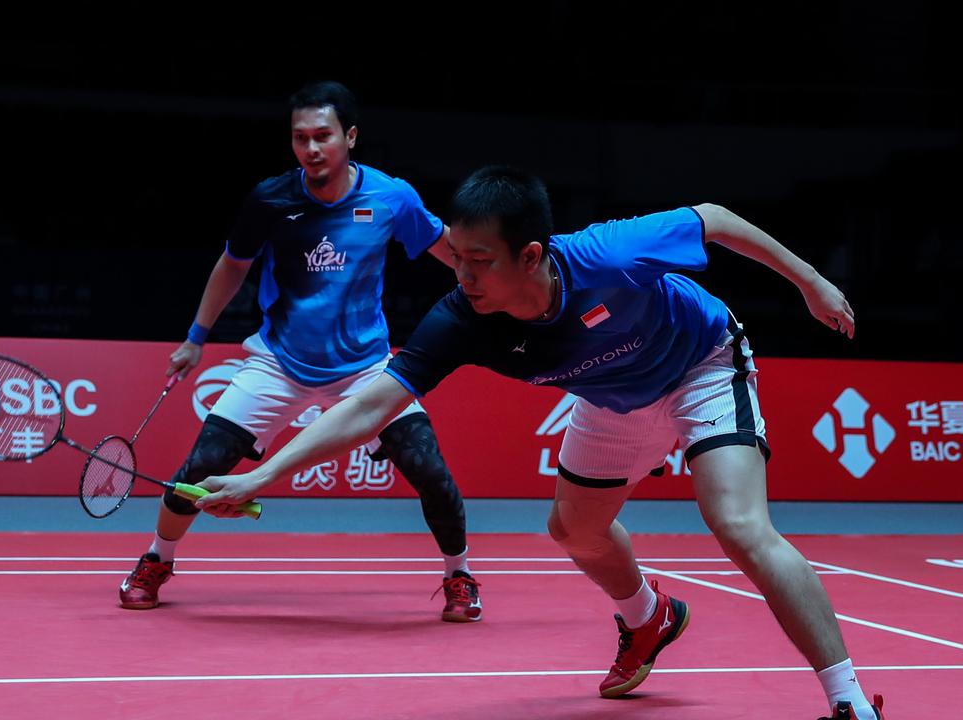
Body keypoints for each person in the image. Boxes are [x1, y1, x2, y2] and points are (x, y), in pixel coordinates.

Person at [192, 166, 887, 719]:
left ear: (529, 255)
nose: (461, 277)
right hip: (611, 398)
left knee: (737, 523)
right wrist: (261, 476)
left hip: (698, 364)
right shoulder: (463, 317)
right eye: (456, 258)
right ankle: (648, 619)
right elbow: (370, 404)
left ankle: (846, 697)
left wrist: (813, 282)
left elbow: (715, 219)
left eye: (478, 262)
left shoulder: (609, 253)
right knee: (575, 532)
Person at [118, 81, 483, 623]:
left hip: (366, 368)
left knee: (429, 469)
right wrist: (196, 337)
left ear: (350, 137)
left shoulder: (391, 197)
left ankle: (459, 574)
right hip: (279, 363)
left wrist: (498, 285)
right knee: (199, 468)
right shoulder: (271, 199)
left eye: (323, 137)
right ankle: (157, 558)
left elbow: (447, 250)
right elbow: (232, 266)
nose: (311, 149)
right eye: (301, 138)